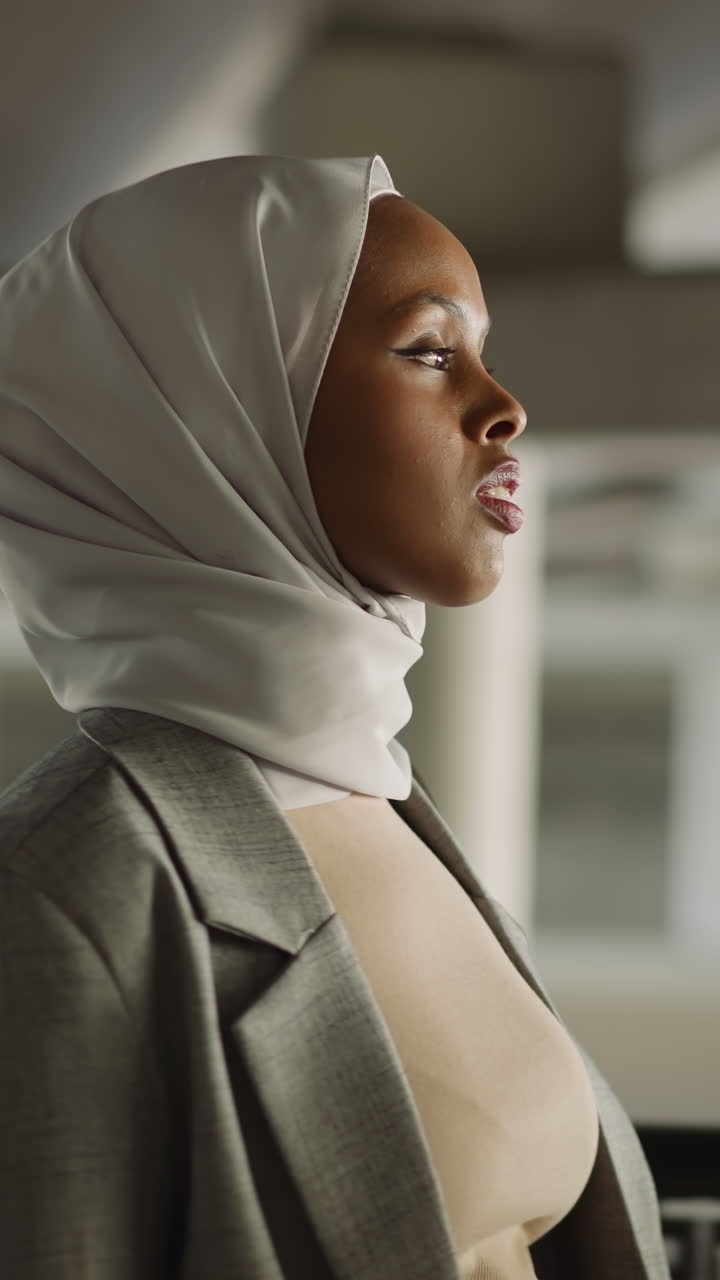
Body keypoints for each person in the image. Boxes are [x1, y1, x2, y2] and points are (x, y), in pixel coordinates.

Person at [0, 153, 669, 1280]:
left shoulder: (381, 802)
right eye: (430, 351)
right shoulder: (66, 892)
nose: (504, 407)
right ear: (209, 416)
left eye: (483, 352)